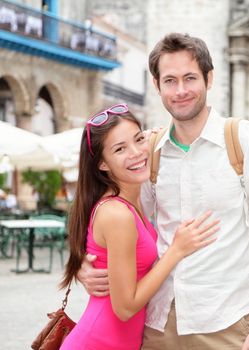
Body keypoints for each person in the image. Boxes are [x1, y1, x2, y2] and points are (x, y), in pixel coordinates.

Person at [78, 33, 249, 349]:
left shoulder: (246, 141)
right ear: (156, 85)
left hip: (226, 323)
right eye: (170, 80)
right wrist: (86, 262)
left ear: (209, 78)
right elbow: (124, 223)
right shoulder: (150, 152)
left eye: (190, 78)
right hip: (157, 326)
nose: (180, 91)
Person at [60, 105, 218, 349]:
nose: (136, 153)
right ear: (102, 164)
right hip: (99, 342)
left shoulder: (130, 203)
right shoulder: (117, 213)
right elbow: (124, 307)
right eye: (120, 149)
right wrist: (176, 250)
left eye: (138, 139)